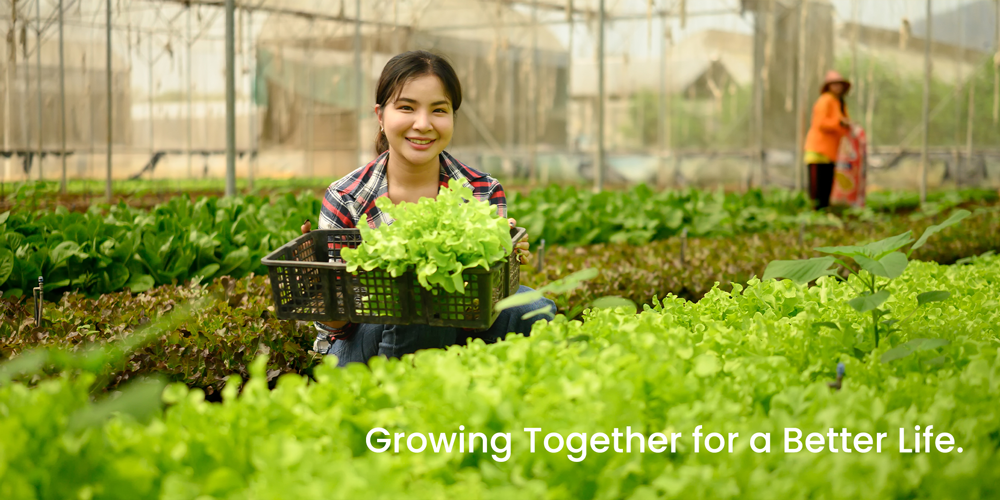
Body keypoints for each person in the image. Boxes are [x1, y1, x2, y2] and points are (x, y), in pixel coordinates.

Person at [313, 50, 555, 366]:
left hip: (455, 329)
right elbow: (334, 327)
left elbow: (481, 310)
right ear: (380, 116)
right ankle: (397, 400)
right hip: (359, 346)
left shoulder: (481, 190)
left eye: (438, 110)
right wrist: (328, 289)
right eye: (406, 108)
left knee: (533, 309)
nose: (423, 124)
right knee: (417, 303)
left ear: (453, 117)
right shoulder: (347, 195)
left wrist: (501, 253)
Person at [804, 70, 852, 210]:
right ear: (828, 86)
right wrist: (840, 122)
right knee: (817, 188)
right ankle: (815, 214)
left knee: (827, 185)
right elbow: (820, 123)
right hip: (818, 150)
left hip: (831, 151)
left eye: (839, 84)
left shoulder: (840, 103)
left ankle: (824, 212)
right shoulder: (825, 100)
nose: (837, 87)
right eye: (834, 84)